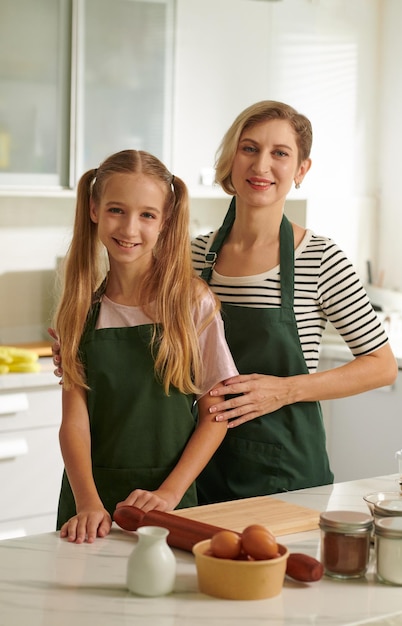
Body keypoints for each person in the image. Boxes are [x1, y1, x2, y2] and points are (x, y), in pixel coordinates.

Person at [190, 100, 398, 504]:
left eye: (280, 153)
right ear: (231, 157)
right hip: (201, 470)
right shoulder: (195, 256)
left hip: (286, 477)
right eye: (249, 148)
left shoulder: (320, 258)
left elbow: (382, 365)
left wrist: (285, 391)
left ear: (301, 170)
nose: (260, 165)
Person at [52, 149, 238, 543]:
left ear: (165, 222)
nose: (130, 228)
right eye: (117, 210)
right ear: (94, 210)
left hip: (168, 505)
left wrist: (169, 494)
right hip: (90, 509)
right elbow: (74, 421)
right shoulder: (79, 308)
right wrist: (87, 501)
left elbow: (215, 415)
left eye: (147, 215)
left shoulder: (192, 302)